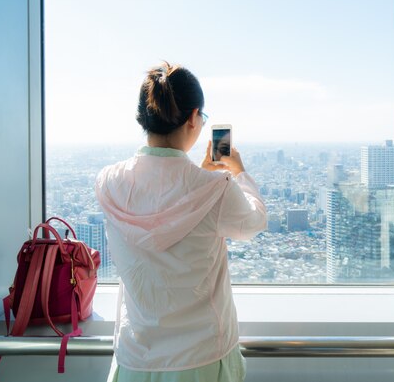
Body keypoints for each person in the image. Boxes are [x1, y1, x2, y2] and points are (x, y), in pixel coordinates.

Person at [95, 62, 267, 382]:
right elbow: (254, 221)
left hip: (137, 358)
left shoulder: (109, 182)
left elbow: (159, 197)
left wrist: (202, 178)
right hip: (202, 358)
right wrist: (238, 173)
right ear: (193, 118)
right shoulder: (215, 189)